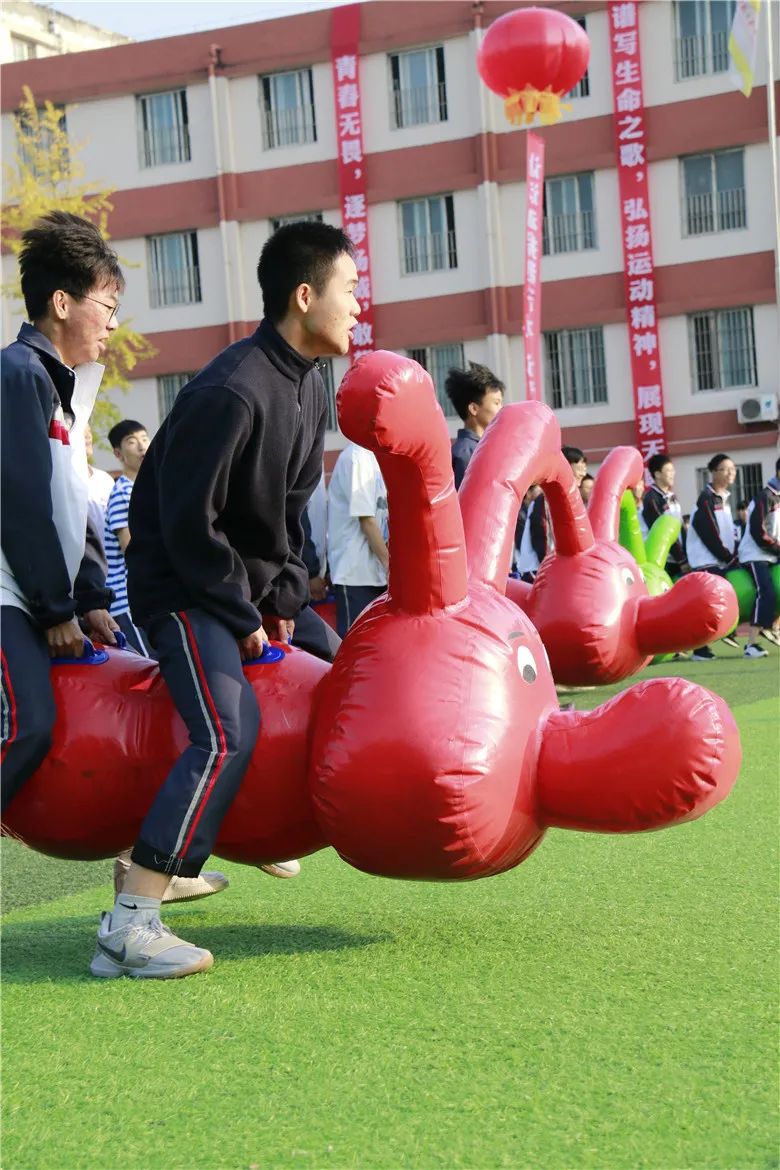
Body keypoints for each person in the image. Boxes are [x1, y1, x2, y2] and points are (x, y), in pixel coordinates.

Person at [89, 221, 359, 980]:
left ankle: (248, 830)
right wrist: (242, 618)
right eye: (349, 291)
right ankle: (132, 917)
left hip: (238, 588)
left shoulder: (309, 385)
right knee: (223, 729)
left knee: (340, 663)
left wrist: (280, 602)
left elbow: (287, 518)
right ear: (304, 297)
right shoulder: (231, 390)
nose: (357, 307)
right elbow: (181, 521)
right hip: (181, 589)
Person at [1, 211, 122, 814]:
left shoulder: (68, 388)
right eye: (107, 305)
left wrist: (91, 599)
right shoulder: (18, 375)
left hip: (40, 596)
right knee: (28, 726)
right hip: (9, 595)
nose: (112, 325)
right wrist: (55, 608)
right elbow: (20, 500)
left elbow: (75, 504)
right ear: (62, 302)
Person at [686, 453, 745, 661]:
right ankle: (700, 649)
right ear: (713, 472)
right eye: (725, 469)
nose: (731, 473)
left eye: (733, 469)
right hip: (706, 562)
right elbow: (709, 533)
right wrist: (728, 557)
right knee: (706, 608)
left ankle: (725, 634)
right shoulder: (706, 499)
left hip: (720, 560)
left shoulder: (724, 498)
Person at [327, 442, 389, 637]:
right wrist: (390, 565)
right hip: (355, 575)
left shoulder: (374, 457)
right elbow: (367, 521)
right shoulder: (357, 458)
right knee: (356, 647)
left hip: (375, 573)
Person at [103, 419, 151, 656]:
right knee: (149, 664)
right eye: (132, 442)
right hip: (127, 600)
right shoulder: (123, 493)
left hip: (144, 594)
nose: (142, 446)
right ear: (118, 453)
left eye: (144, 438)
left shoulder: (146, 487)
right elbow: (131, 549)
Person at [516, 446, 588, 582]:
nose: (583, 471)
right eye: (579, 463)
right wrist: (553, 571)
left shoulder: (569, 499)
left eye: (585, 464)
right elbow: (542, 537)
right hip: (539, 573)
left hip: (555, 571)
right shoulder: (548, 499)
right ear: (566, 465)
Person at [737, 458, 780, 656]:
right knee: (766, 592)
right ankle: (751, 644)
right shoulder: (766, 496)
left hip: (771, 555)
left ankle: (773, 627)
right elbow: (757, 531)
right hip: (755, 555)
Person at [445, 362, 505, 489]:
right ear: (473, 408)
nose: (501, 409)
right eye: (496, 403)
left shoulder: (476, 449)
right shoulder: (467, 455)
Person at [642, 453, 687, 577]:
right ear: (657, 474)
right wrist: (682, 559)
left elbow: (680, 526)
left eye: (673, 470)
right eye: (668, 470)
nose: (673, 474)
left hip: (679, 557)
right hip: (664, 559)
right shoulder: (651, 499)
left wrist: (685, 555)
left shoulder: (672, 496)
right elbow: (663, 532)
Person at [84, 424, 115, 549]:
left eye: (89, 431)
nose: (88, 437)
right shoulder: (63, 482)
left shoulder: (105, 479)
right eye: (82, 431)